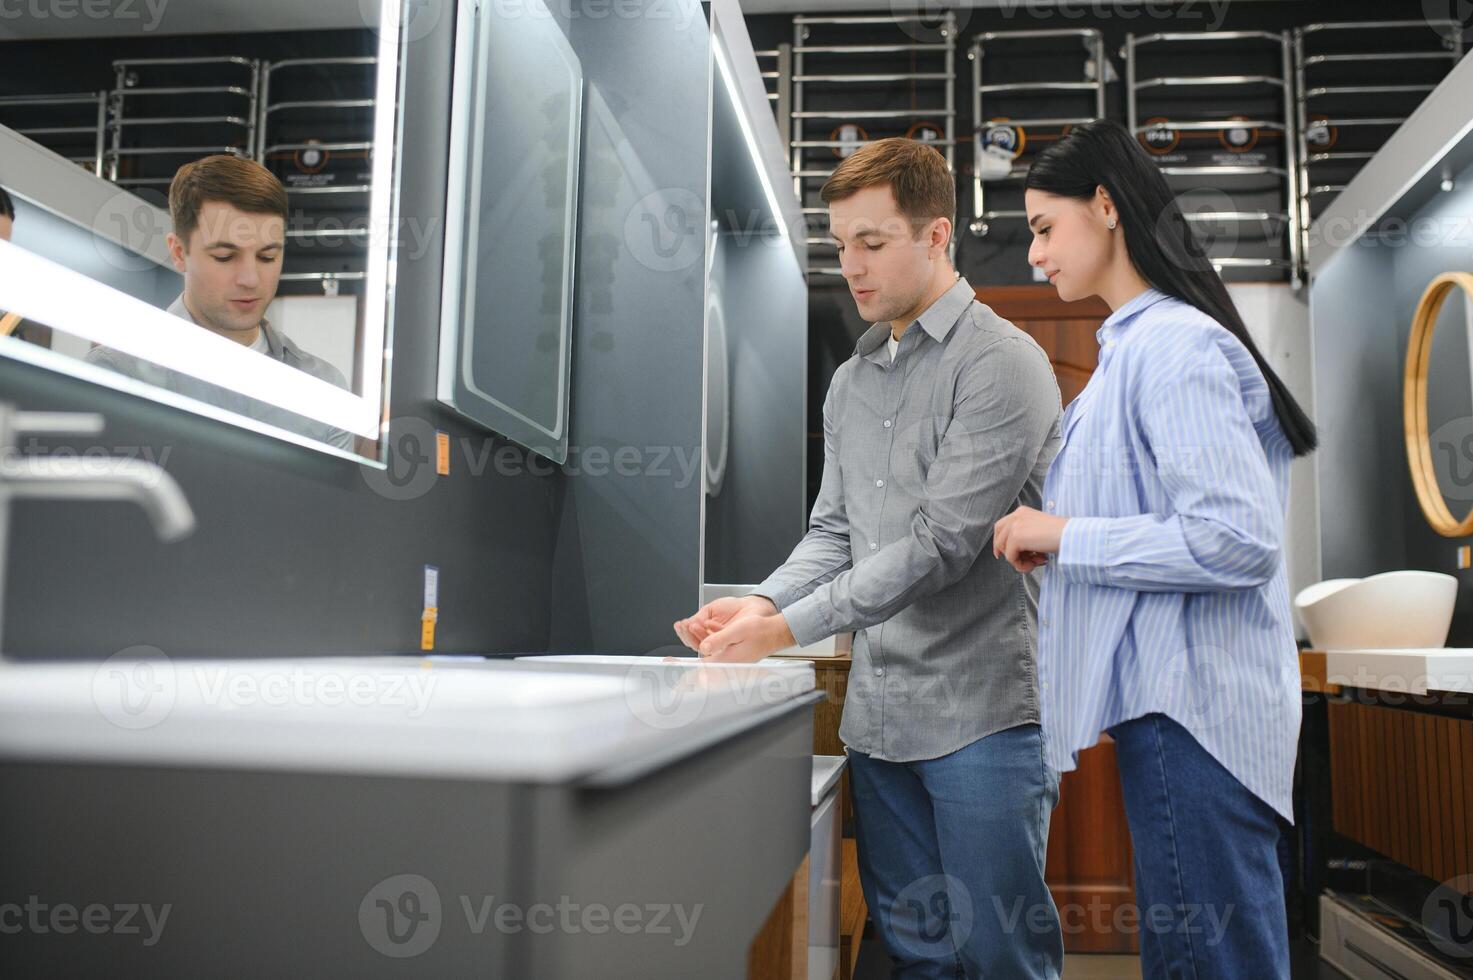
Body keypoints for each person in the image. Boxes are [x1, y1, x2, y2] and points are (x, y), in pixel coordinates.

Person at [674, 138, 1065, 978]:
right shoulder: (853, 381)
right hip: (881, 721)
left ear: (936, 237)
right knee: (917, 955)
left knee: (1000, 957)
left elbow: (937, 547)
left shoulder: (1002, 365)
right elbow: (835, 531)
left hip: (982, 722)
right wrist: (757, 601)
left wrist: (785, 629)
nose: (849, 265)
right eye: (840, 242)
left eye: (872, 243)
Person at [993, 119, 1316, 979]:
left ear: (1104, 206)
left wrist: (1060, 534)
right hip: (1175, 714)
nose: (1033, 255)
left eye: (1041, 227)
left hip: (1194, 715)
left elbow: (1234, 541)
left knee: (1208, 964)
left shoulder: (1171, 346)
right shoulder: (1134, 348)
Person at [86, 155, 353, 451]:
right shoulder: (117, 372)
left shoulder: (324, 390)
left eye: (268, 256)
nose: (250, 279)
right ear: (178, 252)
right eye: (225, 257)